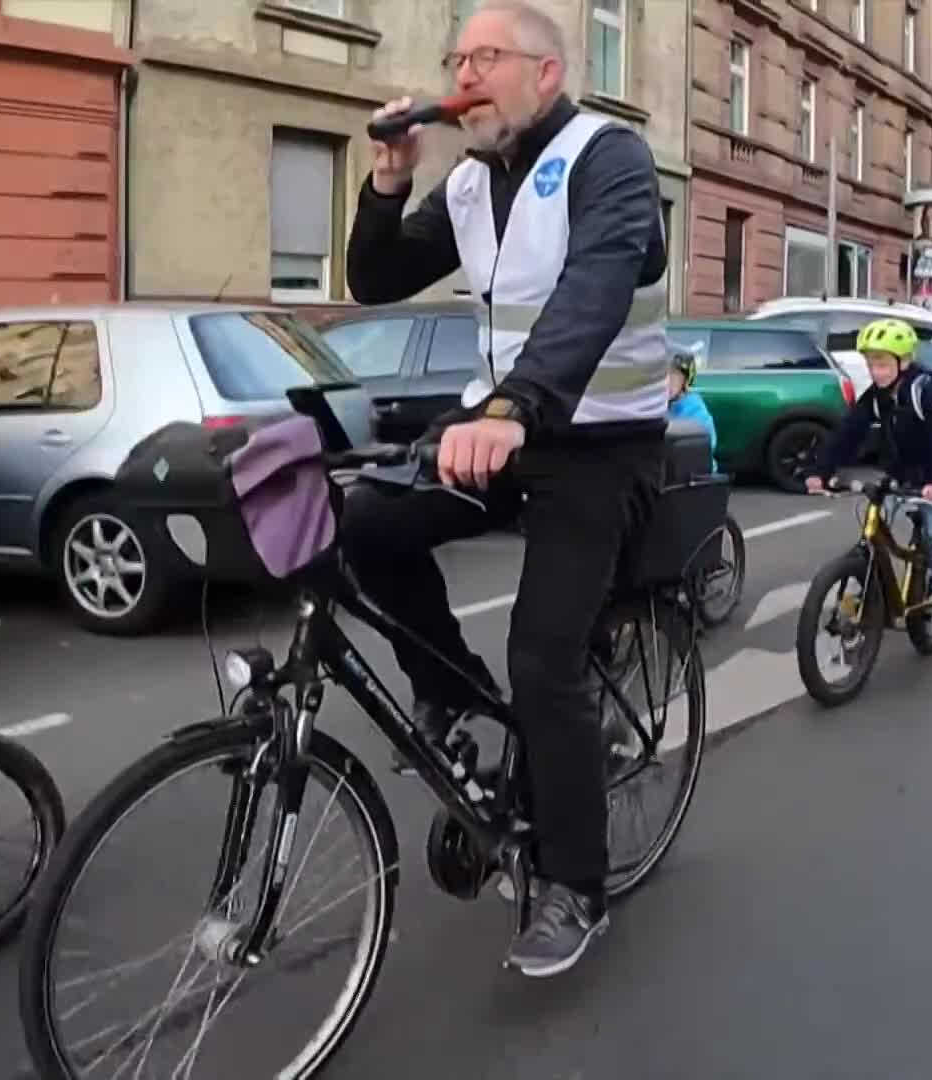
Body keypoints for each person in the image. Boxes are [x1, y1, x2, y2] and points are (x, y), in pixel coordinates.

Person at [340, 0, 670, 976]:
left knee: (546, 654)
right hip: (506, 428)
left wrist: (514, 405)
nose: (464, 74)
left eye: (486, 56)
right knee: (366, 524)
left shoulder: (611, 161)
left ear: (546, 74)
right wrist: (387, 184)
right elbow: (377, 279)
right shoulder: (474, 181)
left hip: (600, 445)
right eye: (457, 58)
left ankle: (577, 886)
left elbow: (594, 290)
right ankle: (455, 703)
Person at [803, 318, 932, 625]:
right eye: (872, 364)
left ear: (903, 362)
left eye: (884, 364)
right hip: (897, 472)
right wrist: (820, 471)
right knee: (875, 526)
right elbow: (848, 432)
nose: (877, 372)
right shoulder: (876, 395)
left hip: (929, 475)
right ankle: (869, 589)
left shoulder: (927, 391)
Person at [666, 342, 716, 470]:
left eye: (674, 374)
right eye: (661, 374)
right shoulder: (652, 406)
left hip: (689, 476)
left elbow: (704, 445)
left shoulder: (694, 410)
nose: (667, 381)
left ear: (686, 380)